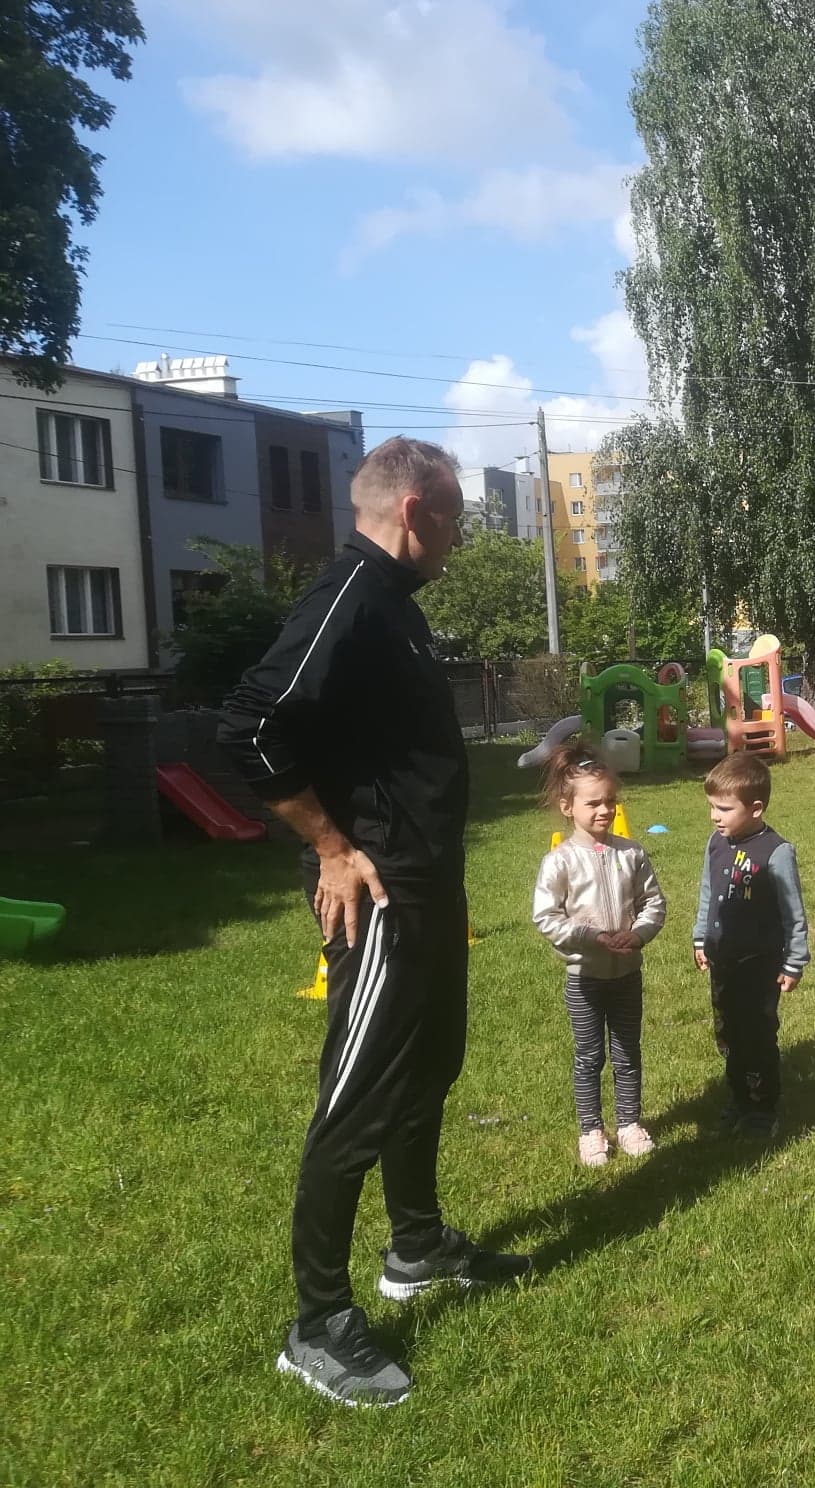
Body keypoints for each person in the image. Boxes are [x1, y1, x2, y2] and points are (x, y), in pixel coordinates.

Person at [217, 436, 530, 1408]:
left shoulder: (396, 605)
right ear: (413, 512)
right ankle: (317, 1323)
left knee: (429, 1067)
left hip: (432, 886)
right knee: (355, 1100)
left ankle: (417, 1245)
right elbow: (251, 724)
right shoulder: (348, 598)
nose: (460, 537)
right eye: (455, 519)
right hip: (382, 894)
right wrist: (329, 846)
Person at [531, 739, 668, 1168]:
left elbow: (653, 903)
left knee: (627, 1052)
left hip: (627, 973)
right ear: (567, 806)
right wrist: (591, 937)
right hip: (584, 978)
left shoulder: (632, 853)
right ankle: (591, 1130)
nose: (604, 810)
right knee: (589, 1056)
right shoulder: (559, 862)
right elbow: (546, 917)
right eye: (593, 803)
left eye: (610, 801)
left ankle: (629, 1123)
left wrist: (638, 935)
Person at [691, 752, 810, 1138]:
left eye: (724, 809)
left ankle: (762, 1106)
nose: (715, 816)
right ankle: (738, 1097)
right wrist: (701, 937)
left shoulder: (776, 852)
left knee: (757, 1033)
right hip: (722, 958)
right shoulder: (716, 842)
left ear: (756, 808)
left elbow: (793, 912)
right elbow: (708, 892)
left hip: (760, 964)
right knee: (727, 1031)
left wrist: (794, 961)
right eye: (712, 806)